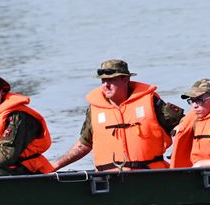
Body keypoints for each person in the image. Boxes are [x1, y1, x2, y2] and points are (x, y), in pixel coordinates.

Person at [51, 59, 184, 171]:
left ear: (125, 79)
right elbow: (84, 145)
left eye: (111, 81)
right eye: (103, 81)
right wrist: (54, 166)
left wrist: (180, 153)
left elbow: (184, 126)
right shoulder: (95, 109)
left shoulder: (151, 102)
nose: (106, 85)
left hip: (148, 176)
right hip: (109, 180)